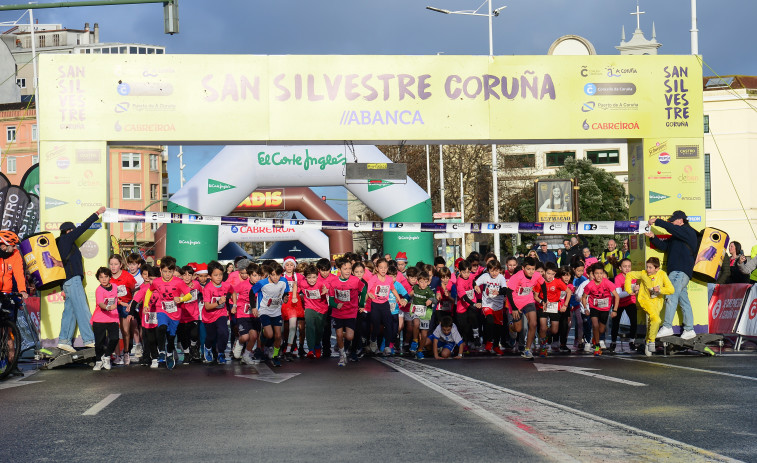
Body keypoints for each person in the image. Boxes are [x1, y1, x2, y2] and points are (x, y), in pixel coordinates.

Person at [56, 207, 106, 353]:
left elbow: (61, 267)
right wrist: (96, 214)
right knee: (82, 310)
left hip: (67, 282)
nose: (74, 232)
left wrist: (62, 288)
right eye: (72, 230)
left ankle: (64, 340)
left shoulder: (61, 244)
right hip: (73, 281)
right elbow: (83, 227)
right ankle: (89, 339)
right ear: (68, 231)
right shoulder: (67, 239)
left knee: (70, 312)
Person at [646, 210, 698, 340]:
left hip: (680, 271)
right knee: (683, 301)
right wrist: (653, 237)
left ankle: (667, 326)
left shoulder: (687, 231)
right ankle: (689, 330)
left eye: (673, 221)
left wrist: (657, 221)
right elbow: (665, 247)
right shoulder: (678, 236)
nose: (672, 223)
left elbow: (671, 228)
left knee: (670, 295)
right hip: (679, 272)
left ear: (681, 220)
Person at [624, 257, 674, 356]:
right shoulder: (643, 273)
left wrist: (660, 290)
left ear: (657, 268)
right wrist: (629, 290)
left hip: (657, 302)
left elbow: (671, 289)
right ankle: (651, 341)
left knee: (652, 321)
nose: (648, 269)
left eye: (650, 267)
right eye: (647, 267)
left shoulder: (662, 274)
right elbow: (629, 275)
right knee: (657, 320)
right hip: (644, 300)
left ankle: (647, 342)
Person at [251, 263, 290, 367]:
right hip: (264, 311)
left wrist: (285, 297)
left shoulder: (284, 281)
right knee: (270, 335)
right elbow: (251, 292)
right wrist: (254, 307)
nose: (275, 277)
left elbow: (286, 292)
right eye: (273, 275)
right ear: (269, 274)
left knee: (278, 335)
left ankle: (275, 356)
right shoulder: (262, 283)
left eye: (278, 275)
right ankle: (263, 333)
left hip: (276, 311)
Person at [507, 256, 546, 360]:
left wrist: (545, 299)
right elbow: (508, 292)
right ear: (523, 268)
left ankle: (527, 350)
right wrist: (514, 308)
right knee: (518, 328)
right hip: (516, 303)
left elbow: (543, 284)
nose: (531, 271)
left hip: (528, 301)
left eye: (533, 269)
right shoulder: (516, 277)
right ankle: (511, 326)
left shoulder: (536, 275)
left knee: (533, 323)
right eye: (528, 269)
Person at [581, 262, 619, 356]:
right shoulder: (590, 285)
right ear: (593, 274)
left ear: (603, 274)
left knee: (601, 330)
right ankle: (597, 347)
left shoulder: (607, 283)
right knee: (595, 326)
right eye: (597, 273)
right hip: (594, 307)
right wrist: (586, 308)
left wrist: (615, 310)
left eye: (601, 273)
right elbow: (584, 297)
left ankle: (595, 338)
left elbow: (616, 296)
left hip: (605, 308)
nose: (599, 276)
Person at [108, 255, 136, 366]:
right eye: (111, 264)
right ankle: (117, 355)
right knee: (114, 332)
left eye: (115, 264)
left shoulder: (127, 276)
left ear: (120, 265)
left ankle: (126, 352)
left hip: (126, 305)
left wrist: (131, 305)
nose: (113, 267)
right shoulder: (108, 277)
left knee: (125, 331)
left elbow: (134, 291)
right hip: (114, 305)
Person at [92, 267, 120, 371]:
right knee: (99, 342)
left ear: (110, 277)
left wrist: (125, 303)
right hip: (100, 319)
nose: (103, 279)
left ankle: (107, 356)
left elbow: (118, 299)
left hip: (113, 317)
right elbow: (100, 303)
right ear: (98, 278)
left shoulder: (115, 287)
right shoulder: (99, 290)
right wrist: (108, 307)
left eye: (106, 277)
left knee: (114, 338)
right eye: (101, 277)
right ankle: (98, 361)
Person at [0, 230, 28, 322]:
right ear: (4, 246)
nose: (15, 247)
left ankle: (8, 335)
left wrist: (22, 290)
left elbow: (19, 273)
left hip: (7, 292)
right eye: (13, 245)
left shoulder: (15, 254)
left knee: (9, 319)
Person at [611, 258, 638, 352]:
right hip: (619, 302)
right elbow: (619, 295)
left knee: (634, 321)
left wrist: (637, 290)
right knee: (615, 323)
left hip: (630, 301)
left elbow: (637, 289)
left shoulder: (634, 277)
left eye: (629, 266)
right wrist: (631, 291)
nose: (627, 268)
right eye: (625, 266)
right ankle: (613, 342)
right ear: (620, 267)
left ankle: (632, 341)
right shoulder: (618, 278)